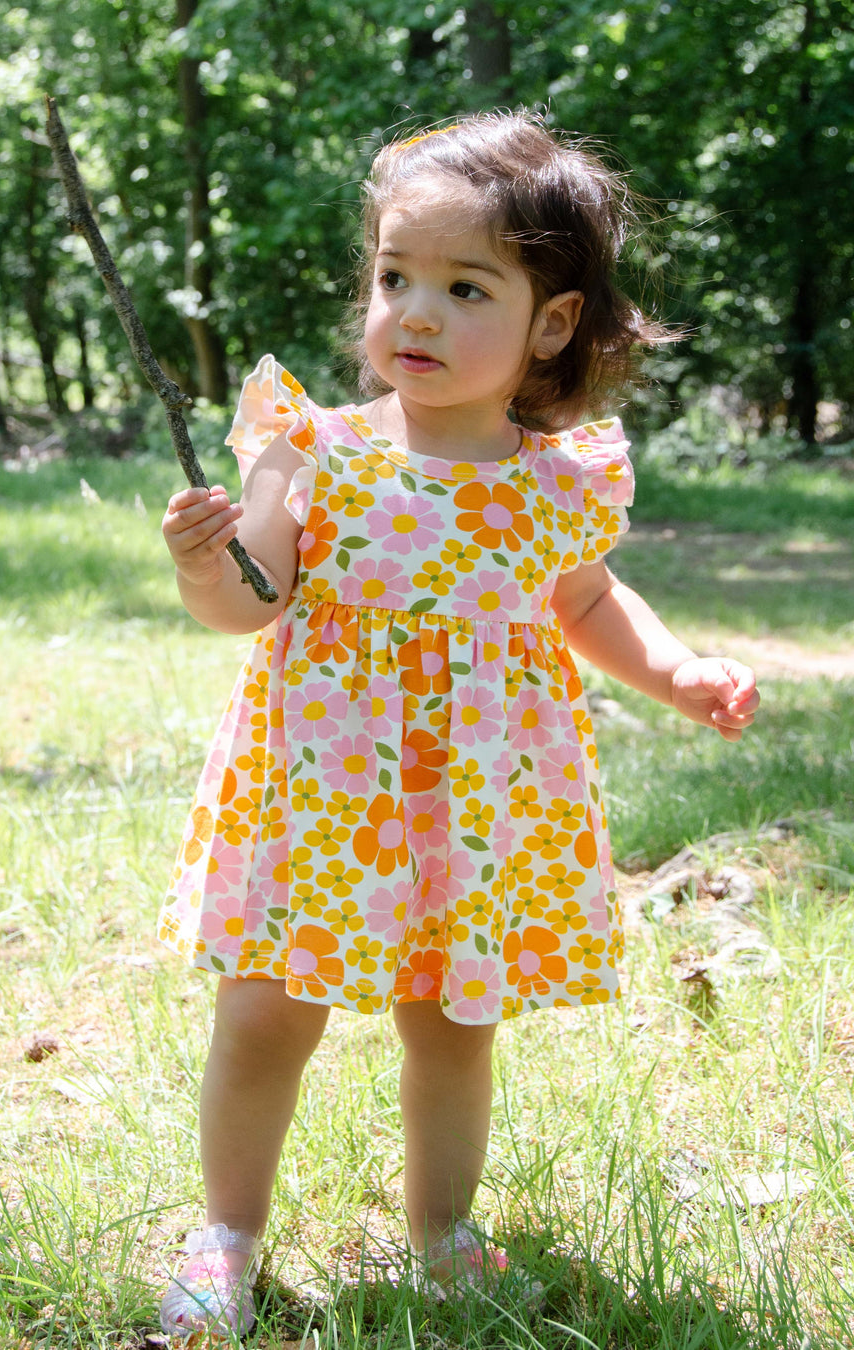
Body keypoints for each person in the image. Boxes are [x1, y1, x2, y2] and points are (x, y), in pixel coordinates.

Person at [156, 110, 759, 1341]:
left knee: (453, 1020)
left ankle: (443, 1238)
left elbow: (587, 601)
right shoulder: (308, 452)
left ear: (552, 321)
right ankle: (226, 1233)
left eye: (463, 286)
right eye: (394, 277)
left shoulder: (553, 482)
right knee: (269, 1012)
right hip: (324, 792)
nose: (414, 313)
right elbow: (244, 605)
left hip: (473, 807)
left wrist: (680, 670)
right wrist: (201, 564)